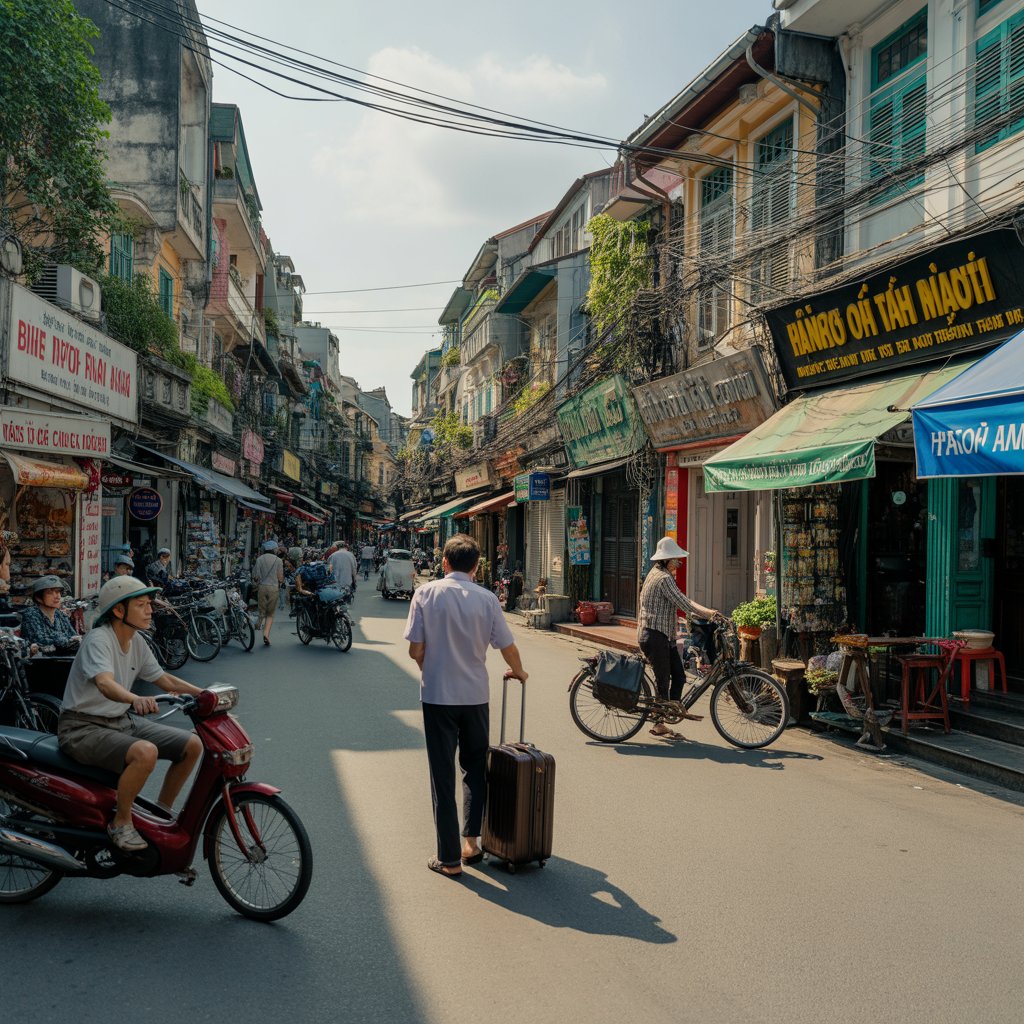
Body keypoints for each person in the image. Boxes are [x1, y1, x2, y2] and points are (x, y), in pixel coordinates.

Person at [404, 534, 528, 879]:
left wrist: (430, 668)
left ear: (444, 562)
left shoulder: (425, 593)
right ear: (476, 566)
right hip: (475, 696)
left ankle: (449, 859)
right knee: (475, 768)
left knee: (442, 776)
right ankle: (471, 843)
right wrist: (519, 671)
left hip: (437, 697)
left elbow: (415, 650)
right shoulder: (487, 599)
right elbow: (507, 647)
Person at [57, 576, 205, 852]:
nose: (149, 611)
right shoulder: (99, 639)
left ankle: (161, 814)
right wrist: (135, 699)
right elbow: (105, 683)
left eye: (149, 604)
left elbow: (164, 679)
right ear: (118, 610)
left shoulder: (136, 640)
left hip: (119, 721)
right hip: (81, 727)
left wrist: (206, 694)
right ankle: (121, 822)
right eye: (141, 605)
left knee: (192, 745)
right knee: (145, 752)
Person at [637, 536, 723, 737]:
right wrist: (710, 613)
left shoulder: (655, 573)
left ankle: (670, 712)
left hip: (662, 636)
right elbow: (685, 603)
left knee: (679, 675)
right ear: (667, 560)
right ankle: (658, 722)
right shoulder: (664, 578)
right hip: (655, 636)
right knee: (663, 679)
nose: (678, 564)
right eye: (675, 560)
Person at [20, 576, 81, 651]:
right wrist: (67, 640)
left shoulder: (60, 615)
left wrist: (73, 639)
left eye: (58, 592)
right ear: (38, 598)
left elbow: (75, 637)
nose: (57, 596)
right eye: (50, 593)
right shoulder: (31, 614)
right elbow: (41, 640)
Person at [251, 539, 284, 647]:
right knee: (270, 613)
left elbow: (256, 576)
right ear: (274, 549)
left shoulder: (259, 559)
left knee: (262, 609)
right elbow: (280, 578)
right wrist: (281, 582)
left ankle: (258, 624)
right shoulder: (279, 560)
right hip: (273, 588)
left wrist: (257, 580)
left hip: (262, 587)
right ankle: (266, 634)